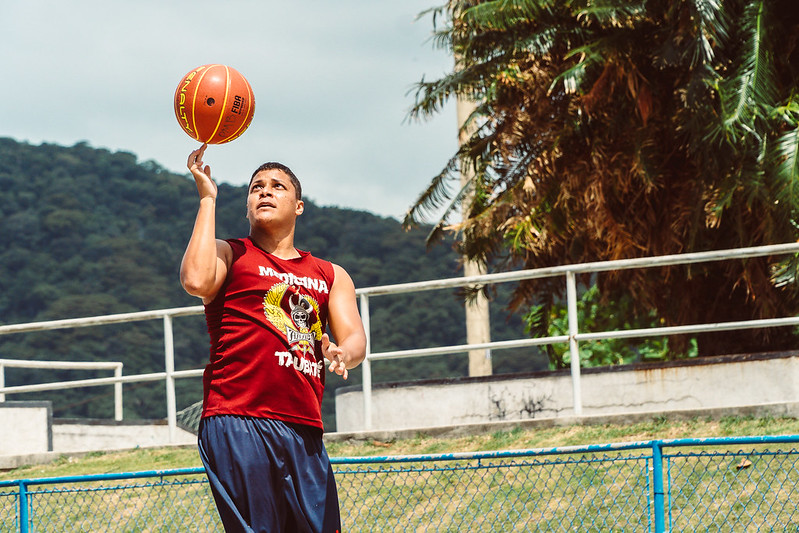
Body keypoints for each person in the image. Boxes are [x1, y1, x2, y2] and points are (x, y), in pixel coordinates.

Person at [180, 143, 367, 533]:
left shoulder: (331, 274)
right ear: (247, 206)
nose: (264, 191)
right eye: (256, 187)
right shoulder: (231, 253)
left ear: (299, 205)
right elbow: (195, 280)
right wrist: (207, 200)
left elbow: (354, 340)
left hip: (303, 427)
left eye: (277, 186)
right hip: (239, 418)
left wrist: (341, 354)